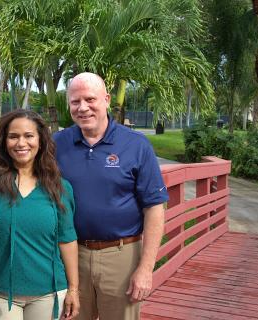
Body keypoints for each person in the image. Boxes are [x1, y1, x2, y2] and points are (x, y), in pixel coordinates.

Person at [53, 72, 169, 320]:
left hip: (122, 255)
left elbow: (155, 208)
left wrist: (146, 269)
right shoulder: (56, 145)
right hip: (71, 256)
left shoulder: (136, 145)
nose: (82, 108)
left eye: (90, 99)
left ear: (106, 99)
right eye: (75, 101)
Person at [0, 110, 80, 320]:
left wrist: (73, 289)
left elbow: (67, 240)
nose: (21, 143)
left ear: (41, 141)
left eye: (28, 136)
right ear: (4, 141)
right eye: (13, 136)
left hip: (48, 293)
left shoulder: (60, 188)